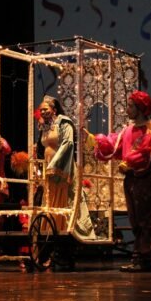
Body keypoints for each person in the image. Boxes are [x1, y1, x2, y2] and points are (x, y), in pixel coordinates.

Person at [90, 90, 151, 272]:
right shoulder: (128, 130)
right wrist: (99, 142)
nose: (127, 109)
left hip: (143, 178)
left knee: (144, 218)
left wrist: (131, 164)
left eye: (131, 106)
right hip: (130, 179)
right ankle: (139, 256)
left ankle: (148, 257)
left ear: (140, 108)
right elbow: (116, 147)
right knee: (134, 219)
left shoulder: (150, 128)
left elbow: (150, 152)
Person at [37, 95, 95, 241]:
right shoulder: (45, 126)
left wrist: (54, 164)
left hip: (63, 168)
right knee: (49, 200)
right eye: (41, 110)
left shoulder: (64, 123)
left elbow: (67, 144)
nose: (43, 112)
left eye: (45, 109)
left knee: (65, 198)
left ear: (54, 109)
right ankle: (49, 230)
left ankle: (66, 229)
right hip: (49, 169)